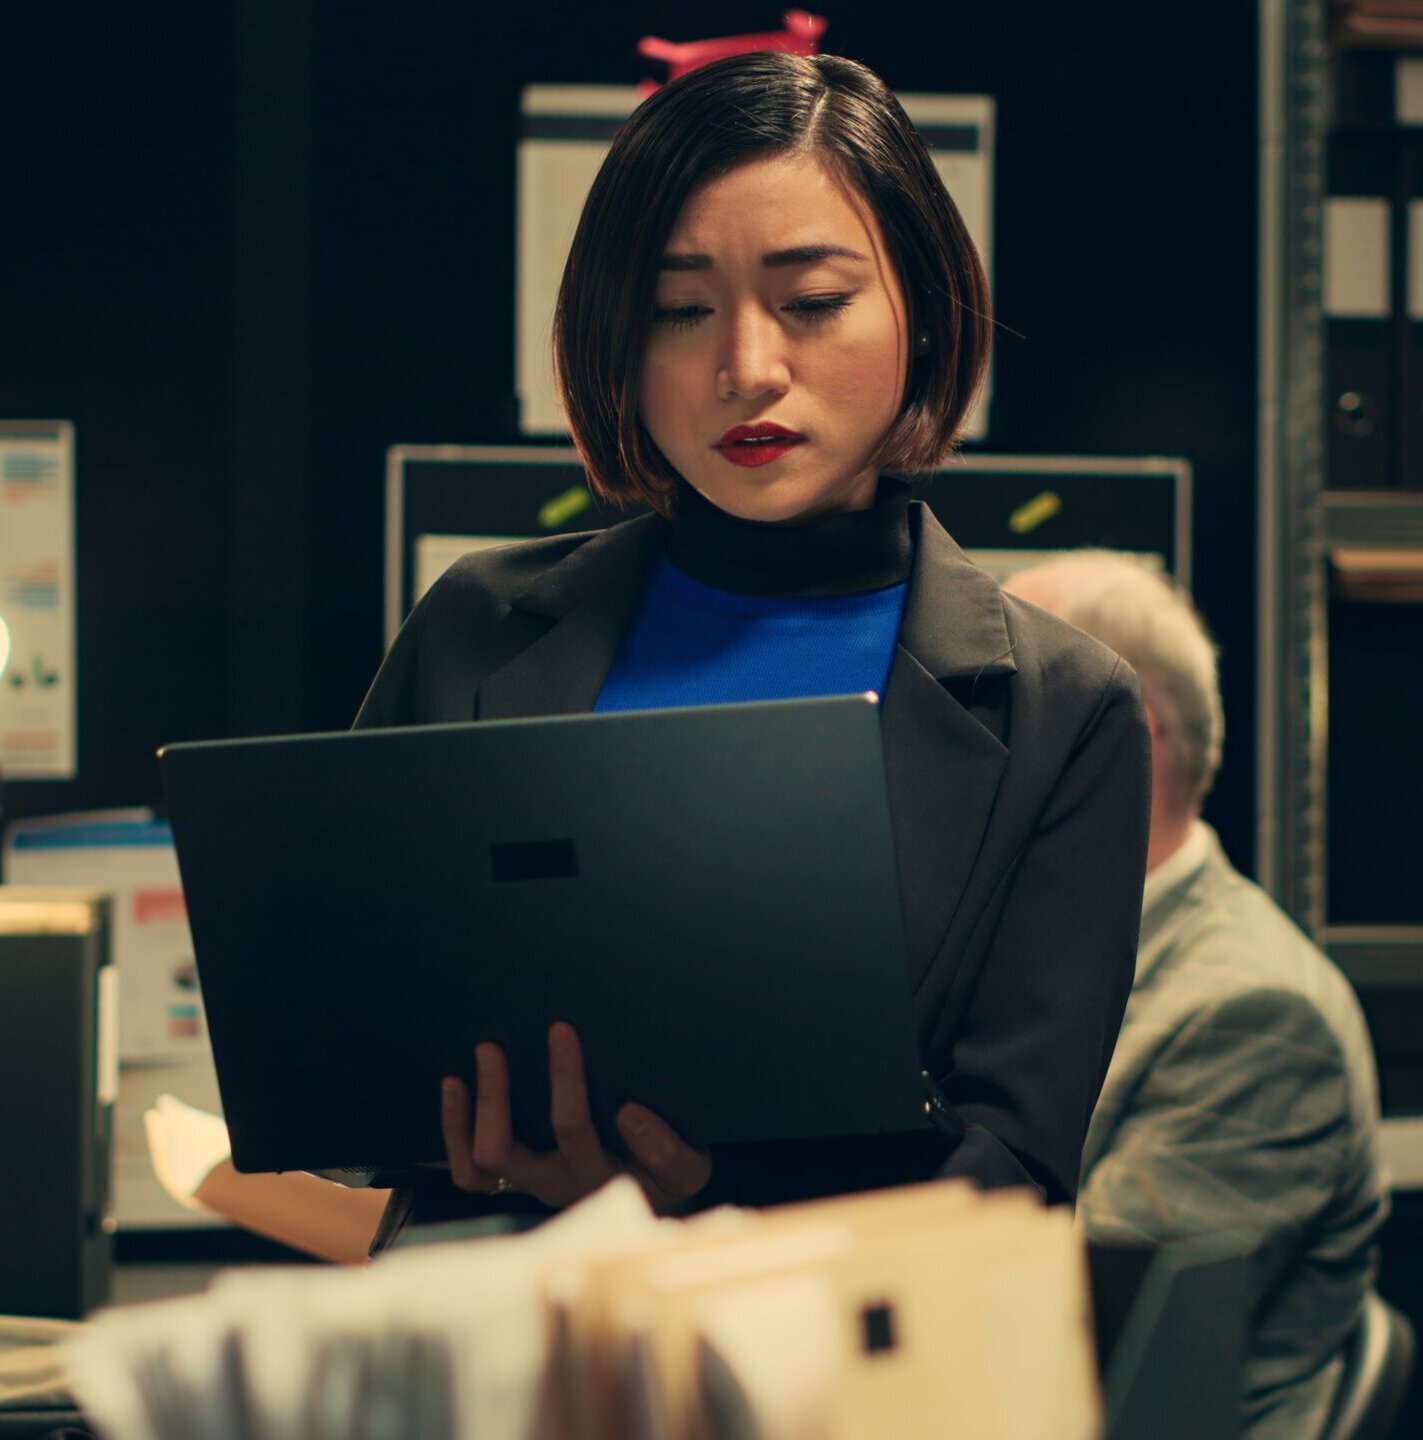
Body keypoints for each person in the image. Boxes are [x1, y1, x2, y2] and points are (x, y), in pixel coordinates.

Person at [356, 52, 1150, 1237]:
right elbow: (348, 1047)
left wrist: (703, 1196)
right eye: (679, 310)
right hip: (492, 1323)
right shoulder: (474, 627)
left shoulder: (1061, 710)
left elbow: (1012, 1175)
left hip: (829, 1342)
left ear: (923, 314)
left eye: (812, 302)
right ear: (614, 340)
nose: (745, 369)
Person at [1005, 551, 1388, 1440]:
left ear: (1120, 746)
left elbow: (1076, 1333)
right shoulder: (1054, 948)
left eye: (995, 718)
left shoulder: (1254, 1014)